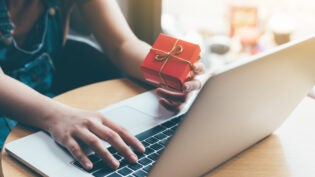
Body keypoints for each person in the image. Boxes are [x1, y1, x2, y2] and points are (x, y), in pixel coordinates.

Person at [0, 0, 206, 170]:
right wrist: (57, 115)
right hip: (43, 114)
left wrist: (170, 71)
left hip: (47, 111)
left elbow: (122, 44)